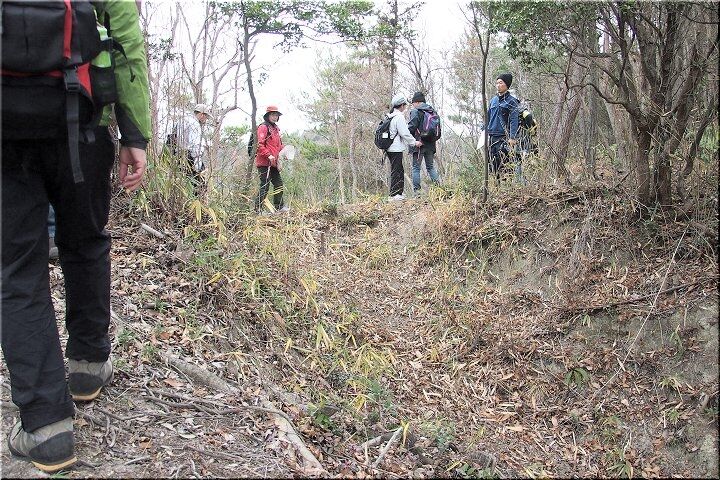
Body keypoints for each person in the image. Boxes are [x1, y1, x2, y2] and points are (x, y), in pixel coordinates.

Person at [1, 1, 150, 473]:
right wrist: (134, 133)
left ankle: (46, 427)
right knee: (85, 243)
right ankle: (87, 366)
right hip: (80, 122)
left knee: (17, 273)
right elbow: (126, 43)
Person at [167, 103, 212, 194]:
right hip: (190, 158)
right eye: (206, 117)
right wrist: (198, 166)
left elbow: (172, 139)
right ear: (201, 114)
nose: (206, 119)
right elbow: (196, 146)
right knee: (199, 188)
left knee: (183, 185)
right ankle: (196, 202)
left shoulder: (181, 120)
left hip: (178, 157)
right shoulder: (195, 124)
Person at [386, 95, 422, 200]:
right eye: (404, 105)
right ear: (401, 105)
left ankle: (398, 193)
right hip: (395, 148)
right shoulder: (399, 117)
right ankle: (394, 194)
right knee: (396, 170)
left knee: (398, 169)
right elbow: (404, 133)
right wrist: (414, 142)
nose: (405, 107)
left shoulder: (390, 116)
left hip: (390, 147)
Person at [255, 105, 288, 213]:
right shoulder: (263, 127)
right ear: (268, 115)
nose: (275, 117)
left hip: (274, 163)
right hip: (264, 162)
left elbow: (279, 146)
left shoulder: (276, 129)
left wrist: (284, 153)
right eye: (273, 115)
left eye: (276, 115)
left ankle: (279, 207)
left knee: (279, 184)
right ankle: (258, 210)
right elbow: (259, 144)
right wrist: (268, 155)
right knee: (265, 185)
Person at [487, 73, 520, 180]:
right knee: (493, 164)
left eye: (500, 83)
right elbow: (488, 117)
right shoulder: (493, 100)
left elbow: (514, 120)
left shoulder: (512, 101)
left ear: (507, 84)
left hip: (504, 138)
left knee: (506, 164)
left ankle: (507, 185)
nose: (498, 85)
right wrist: (484, 130)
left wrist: (512, 137)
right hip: (492, 137)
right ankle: (496, 185)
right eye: (497, 83)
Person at [408, 91, 440, 194]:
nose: (413, 105)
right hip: (430, 144)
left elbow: (412, 127)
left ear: (417, 102)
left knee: (416, 168)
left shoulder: (416, 111)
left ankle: (417, 193)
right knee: (430, 167)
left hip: (419, 144)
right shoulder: (432, 111)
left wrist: (409, 138)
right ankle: (439, 191)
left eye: (413, 103)